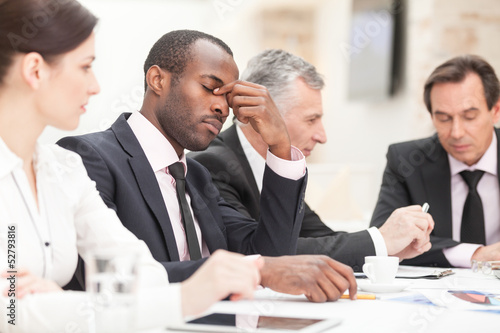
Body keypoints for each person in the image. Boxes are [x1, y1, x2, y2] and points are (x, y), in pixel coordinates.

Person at [0, 1, 268, 332]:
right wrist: (189, 295)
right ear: (35, 70)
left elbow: (139, 271)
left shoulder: (64, 169)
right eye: (85, 67)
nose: (95, 86)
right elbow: (10, 314)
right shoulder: (80, 159)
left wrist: (55, 302)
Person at [58, 30, 357, 302]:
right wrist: (249, 271)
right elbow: (109, 280)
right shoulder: (88, 157)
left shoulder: (198, 176)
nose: (222, 108)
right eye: (208, 87)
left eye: (228, 98)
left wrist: (279, 146)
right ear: (157, 80)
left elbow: (269, 257)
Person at [190, 49, 434, 271]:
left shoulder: (277, 169)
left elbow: (321, 238)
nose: (322, 136)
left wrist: (388, 249)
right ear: (262, 114)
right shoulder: (210, 165)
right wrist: (381, 240)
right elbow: (264, 253)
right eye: (311, 120)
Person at [370, 54, 500, 268]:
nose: (456, 132)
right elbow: (382, 241)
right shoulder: (406, 161)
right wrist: (478, 254)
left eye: (469, 116)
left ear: (495, 111)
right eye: (444, 118)